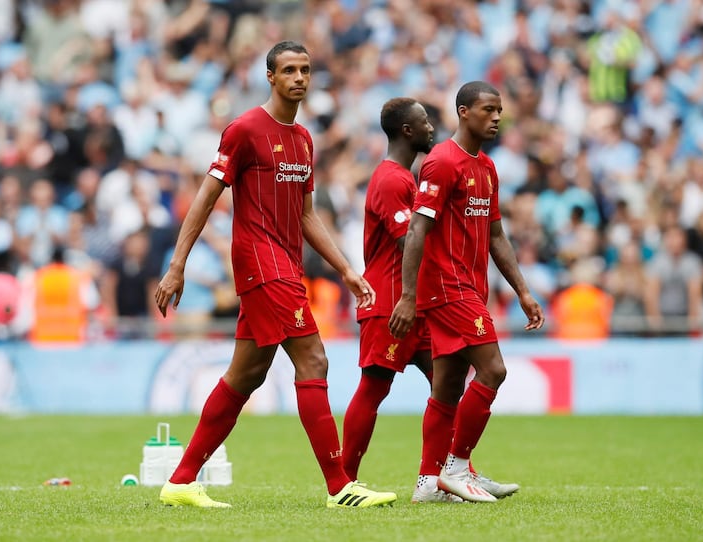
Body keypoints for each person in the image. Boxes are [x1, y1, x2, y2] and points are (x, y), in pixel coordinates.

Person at [154, 41, 397, 509]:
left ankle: (181, 481)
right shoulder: (244, 130)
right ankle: (340, 486)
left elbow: (307, 216)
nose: (299, 78)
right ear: (270, 76)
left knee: (246, 375)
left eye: (305, 70)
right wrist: (177, 265)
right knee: (314, 360)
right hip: (259, 263)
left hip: (285, 263)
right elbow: (205, 197)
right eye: (289, 70)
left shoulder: (304, 140)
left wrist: (346, 268)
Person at [389, 81, 545, 503]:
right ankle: (456, 467)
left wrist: (523, 291)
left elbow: (497, 237)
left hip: (470, 287)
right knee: (493, 370)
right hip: (446, 287)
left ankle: (427, 482)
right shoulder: (441, 163)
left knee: (448, 386)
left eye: (499, 110)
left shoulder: (487, 169)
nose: (496, 117)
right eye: (487, 109)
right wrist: (407, 295)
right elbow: (417, 229)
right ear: (463, 112)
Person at [340, 97, 436, 485]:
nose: (431, 127)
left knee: (447, 384)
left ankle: (449, 473)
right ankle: (343, 480)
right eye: (425, 121)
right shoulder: (391, 180)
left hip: (415, 300)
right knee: (374, 387)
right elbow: (408, 242)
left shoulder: (404, 178)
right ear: (407, 131)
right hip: (392, 302)